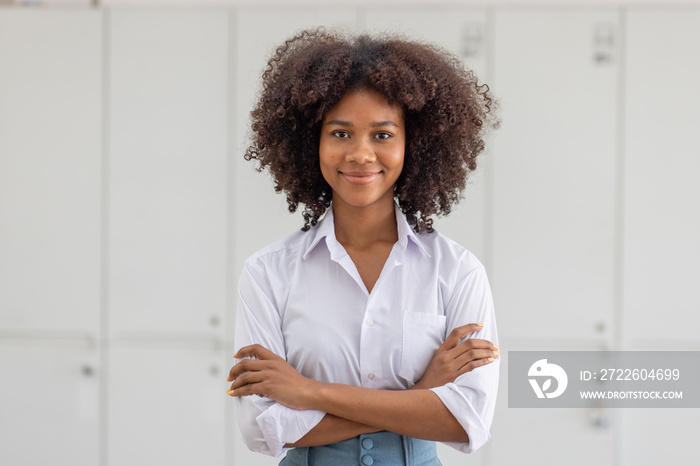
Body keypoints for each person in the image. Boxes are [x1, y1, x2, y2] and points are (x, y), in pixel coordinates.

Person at [226, 28, 500, 465]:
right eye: (340, 134)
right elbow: (263, 429)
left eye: (382, 135)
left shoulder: (456, 270)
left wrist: (309, 392)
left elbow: (467, 421)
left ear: (414, 144)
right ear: (310, 142)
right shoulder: (268, 273)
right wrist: (422, 396)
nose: (360, 154)